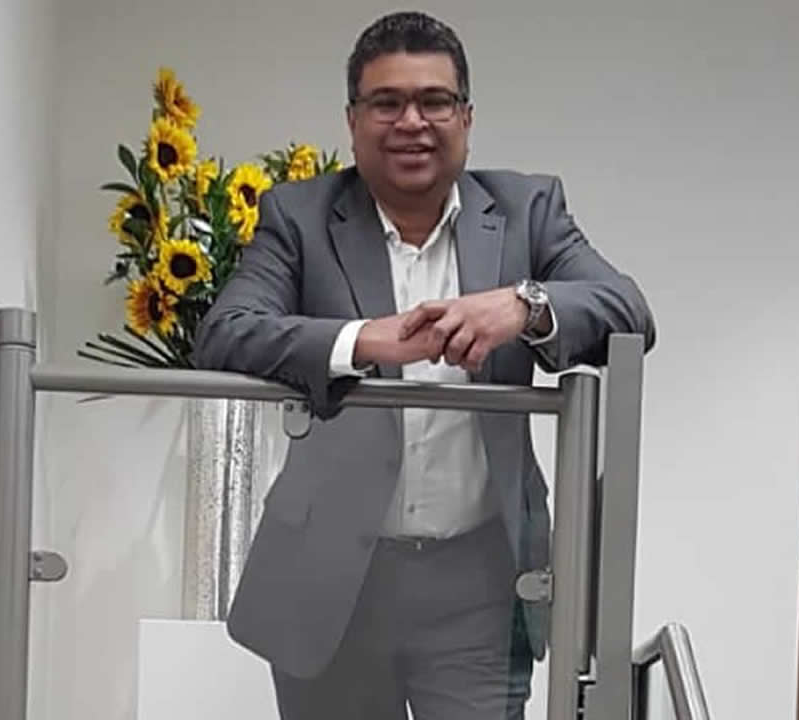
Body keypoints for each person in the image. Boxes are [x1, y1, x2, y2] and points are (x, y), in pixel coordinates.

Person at [193, 11, 655, 720]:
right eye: (387, 102)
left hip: (480, 583)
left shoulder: (528, 209)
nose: (412, 121)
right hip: (333, 578)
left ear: (465, 117)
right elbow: (226, 333)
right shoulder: (299, 215)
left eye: (434, 101)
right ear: (352, 121)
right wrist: (362, 342)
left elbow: (629, 311)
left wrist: (525, 306)